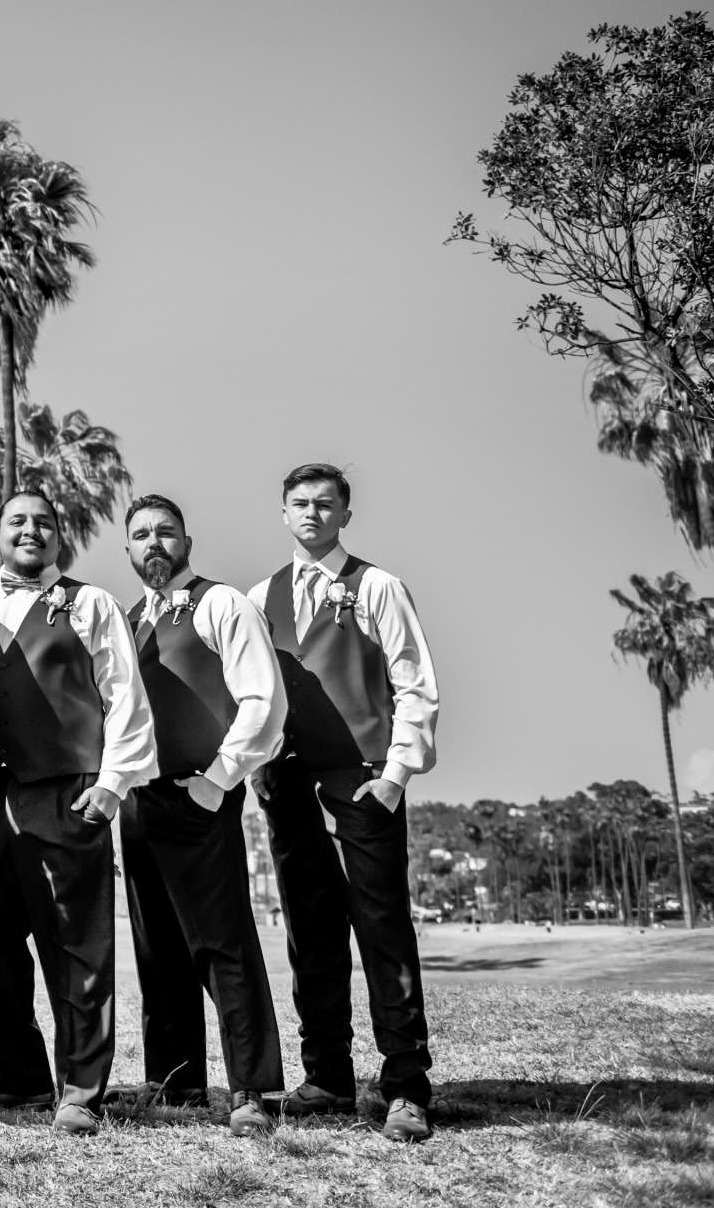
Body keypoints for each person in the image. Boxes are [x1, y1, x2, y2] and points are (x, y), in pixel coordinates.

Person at [246, 463, 441, 1145]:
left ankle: (406, 1084)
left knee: (383, 928)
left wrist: (395, 775)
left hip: (362, 779)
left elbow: (415, 683)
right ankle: (326, 1073)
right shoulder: (256, 597)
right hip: (287, 783)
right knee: (310, 929)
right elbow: (248, 696)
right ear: (283, 512)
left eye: (324, 504)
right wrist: (256, 770)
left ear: (344, 514)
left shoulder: (378, 586)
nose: (311, 513)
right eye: (299, 503)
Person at [0, 490, 157, 1136]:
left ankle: (81, 1089)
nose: (31, 529)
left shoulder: (93, 603)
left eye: (43, 521)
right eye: (17, 519)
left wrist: (111, 783)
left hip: (67, 792)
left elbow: (124, 694)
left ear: (59, 537)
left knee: (78, 947)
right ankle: (19, 1076)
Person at [119, 493, 289, 1137]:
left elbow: (262, 704)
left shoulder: (222, 604)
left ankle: (253, 1087)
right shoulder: (132, 617)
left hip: (200, 797)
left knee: (222, 944)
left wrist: (217, 782)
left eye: (166, 532)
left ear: (186, 542)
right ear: (128, 551)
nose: (154, 543)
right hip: (139, 802)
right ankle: (177, 1085)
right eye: (141, 535)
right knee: (157, 948)